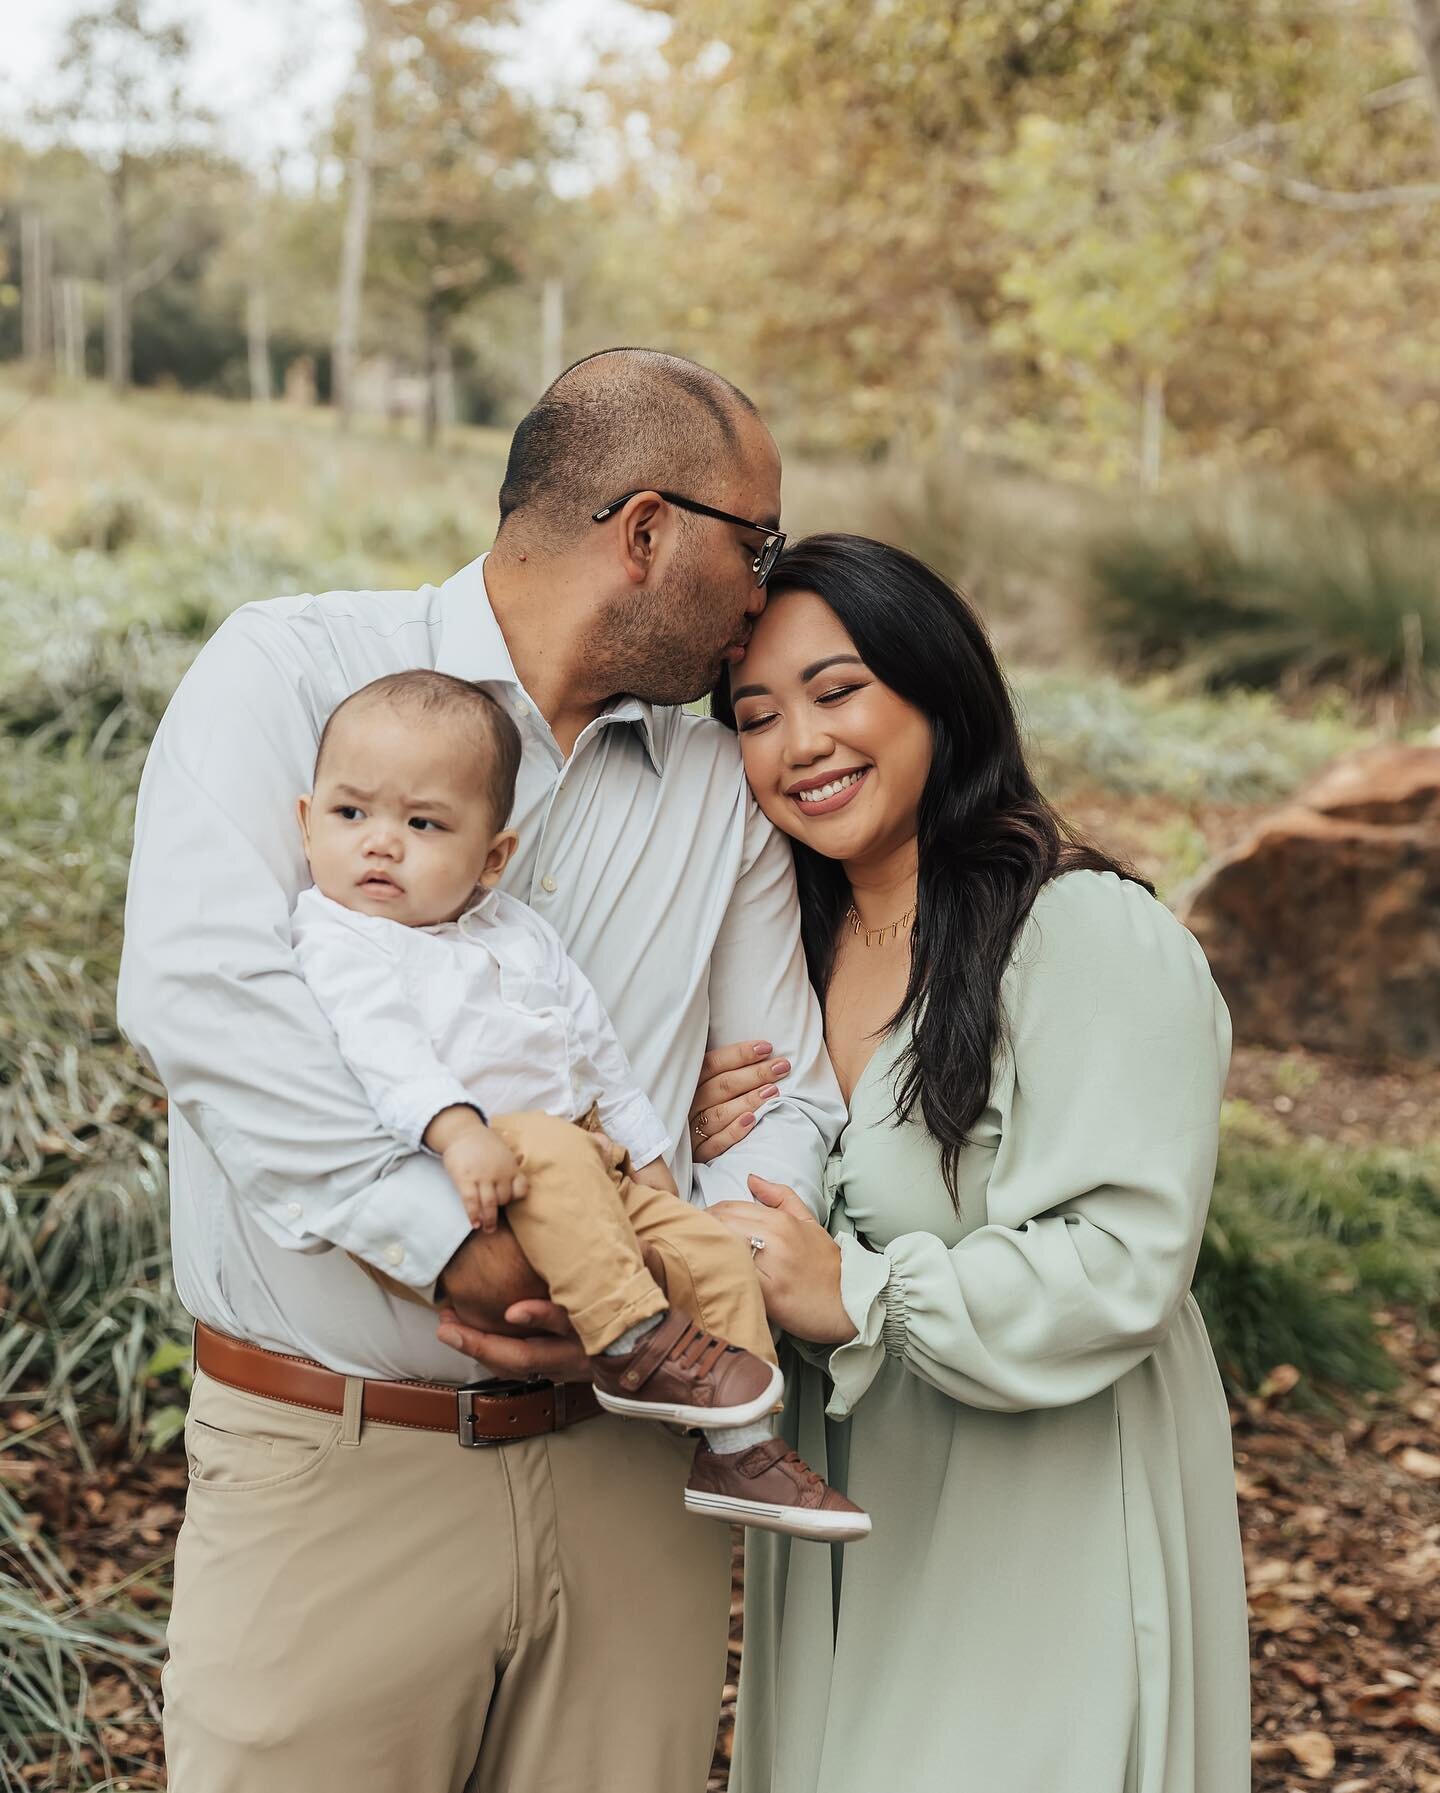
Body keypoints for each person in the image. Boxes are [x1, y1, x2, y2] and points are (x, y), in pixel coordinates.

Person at [117, 349, 849, 1793]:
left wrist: (690, 1239)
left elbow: (791, 1090)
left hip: (640, 1479)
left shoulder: (718, 787)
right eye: (749, 546)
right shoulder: (295, 674)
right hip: (338, 1467)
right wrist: (455, 1242)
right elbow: (206, 993)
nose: (761, 593)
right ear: (645, 534)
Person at [689, 534, 1252, 1793]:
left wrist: (860, 1294)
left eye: (840, 691)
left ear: (939, 688)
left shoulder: (1080, 931)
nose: (800, 744)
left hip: (1036, 1517)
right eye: (757, 714)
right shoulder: (783, 956)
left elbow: (1124, 1259)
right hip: (845, 1513)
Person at [291, 665, 867, 1538]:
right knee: (550, 1152)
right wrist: (457, 1133)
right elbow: (384, 1050)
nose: (380, 844)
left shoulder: (517, 931)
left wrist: (655, 1165)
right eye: (350, 814)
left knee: (710, 1253)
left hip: (590, 1153)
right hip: (492, 1162)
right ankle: (639, 1339)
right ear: (307, 822)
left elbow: (595, 1051)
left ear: (493, 858)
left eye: (421, 824)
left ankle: (742, 1449)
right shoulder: (339, 935)